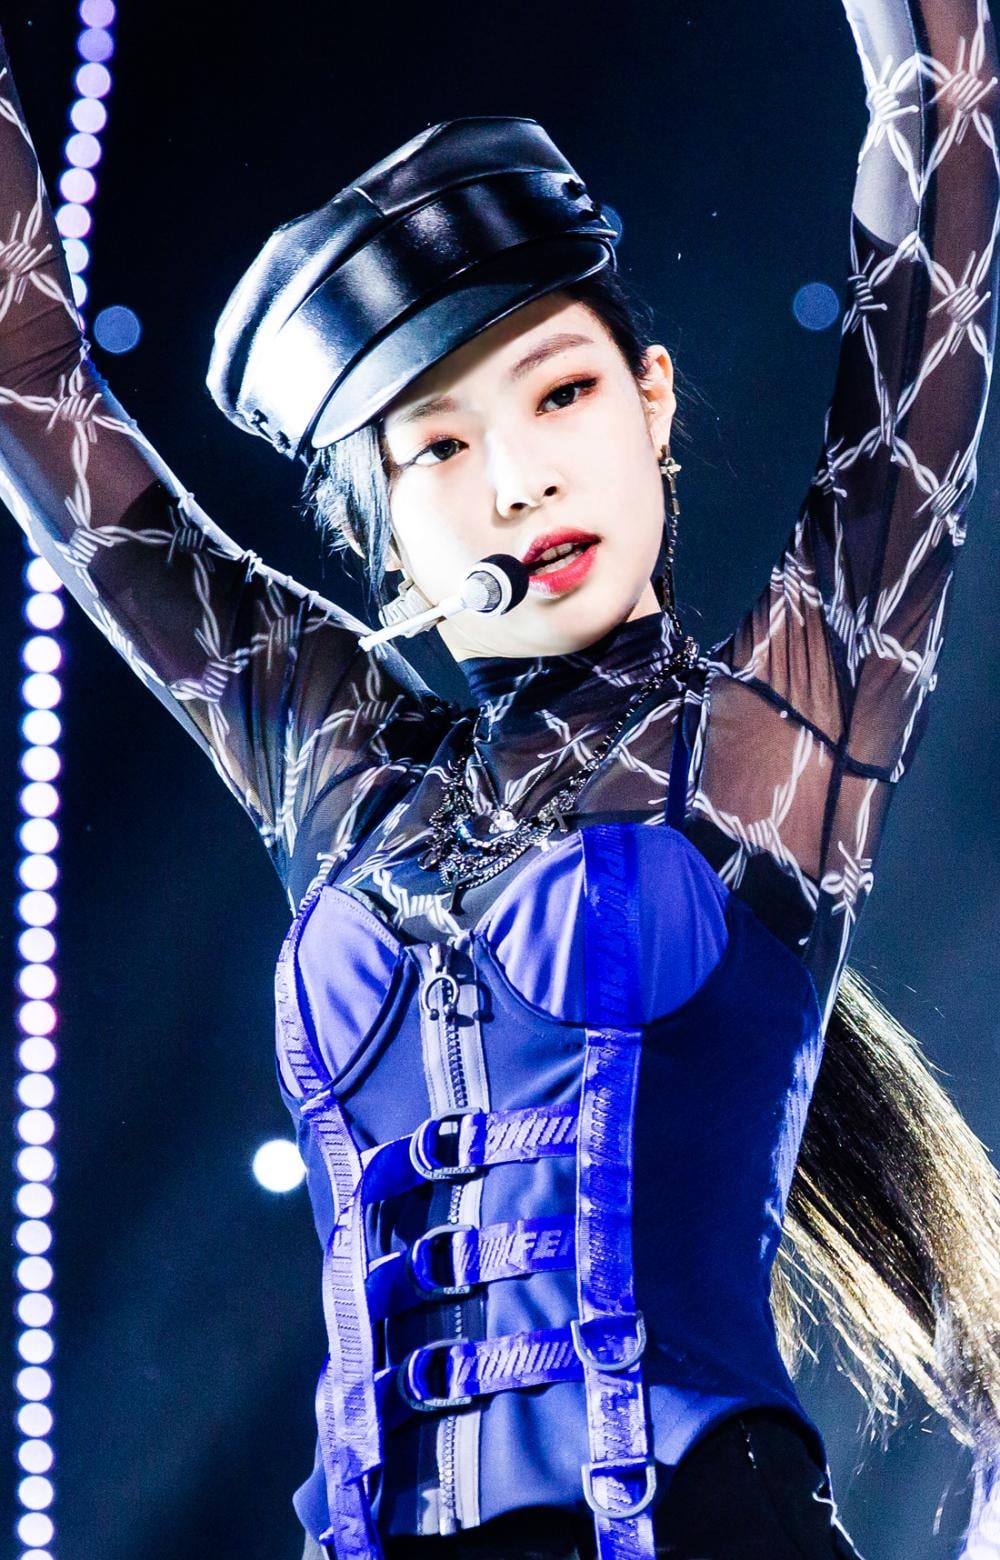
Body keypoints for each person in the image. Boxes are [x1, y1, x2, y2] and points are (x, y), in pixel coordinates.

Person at [1, 0, 1000, 1556]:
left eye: (560, 393)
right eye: (438, 449)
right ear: (385, 538)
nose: (520, 479)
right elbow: (27, 370)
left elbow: (943, 143)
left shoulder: (773, 734)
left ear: (651, 401)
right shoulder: (339, 770)